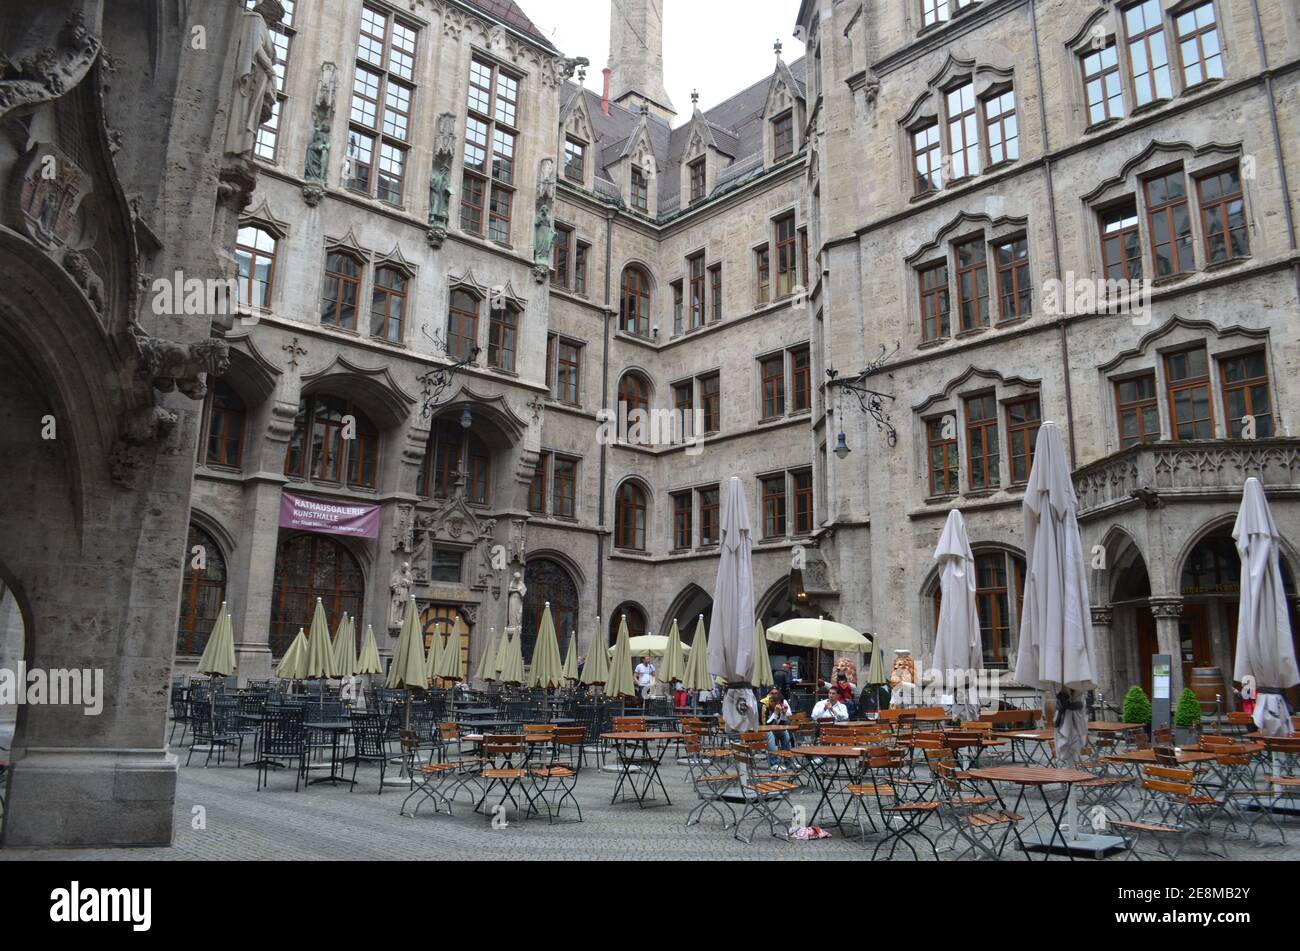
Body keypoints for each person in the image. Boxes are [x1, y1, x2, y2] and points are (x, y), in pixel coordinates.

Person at [762, 688, 794, 769]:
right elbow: (766, 725)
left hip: (773, 730)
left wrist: (783, 714)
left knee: (785, 732)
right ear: (771, 702)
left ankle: (788, 762)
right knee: (770, 733)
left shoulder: (778, 707)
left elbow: (781, 726)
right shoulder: (764, 706)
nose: (778, 706)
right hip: (761, 731)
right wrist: (775, 713)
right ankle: (774, 763)